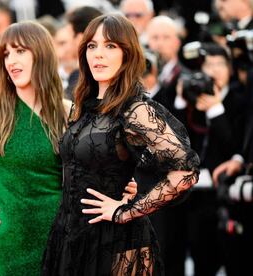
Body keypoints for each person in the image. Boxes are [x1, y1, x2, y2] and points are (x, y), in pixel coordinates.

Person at [0, 20, 139, 275]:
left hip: (62, 239)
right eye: (6, 53)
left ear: (40, 54)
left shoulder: (69, 111)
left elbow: (92, 167)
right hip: (6, 243)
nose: (11, 60)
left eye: (20, 51)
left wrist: (121, 185)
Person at [42, 13, 200, 275]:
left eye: (110, 46)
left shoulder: (134, 109)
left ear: (128, 54)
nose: (98, 54)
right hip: (71, 235)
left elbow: (185, 172)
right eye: (92, 46)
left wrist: (128, 210)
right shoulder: (83, 107)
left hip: (116, 240)